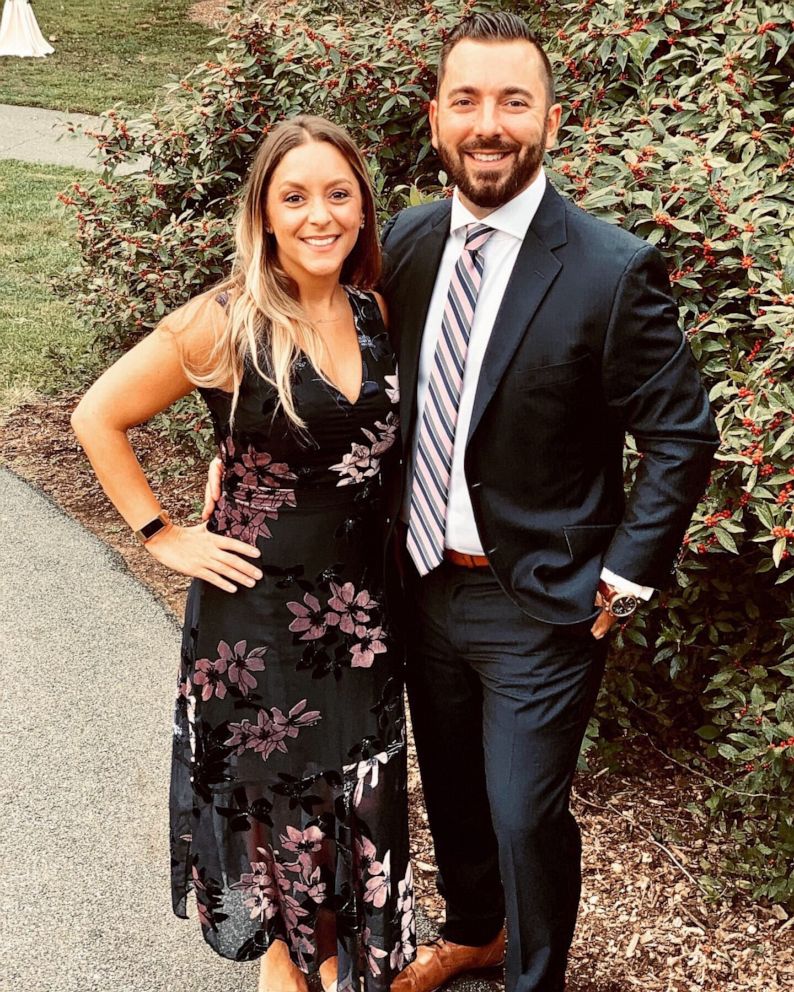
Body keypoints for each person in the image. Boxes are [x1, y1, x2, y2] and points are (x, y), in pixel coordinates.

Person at [203, 12, 719, 992]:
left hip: (542, 597)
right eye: (469, 101)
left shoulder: (611, 272)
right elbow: (347, 374)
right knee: (448, 789)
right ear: (437, 117)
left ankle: (533, 974)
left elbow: (680, 433)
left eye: (512, 102)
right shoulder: (405, 238)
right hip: (417, 580)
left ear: (549, 122)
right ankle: (476, 929)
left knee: (523, 806)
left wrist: (626, 570)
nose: (489, 124)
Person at [71, 115, 415, 992]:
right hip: (254, 613)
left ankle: (334, 948)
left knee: (349, 788)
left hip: (363, 616)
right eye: (293, 197)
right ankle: (282, 963)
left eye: (338, 194)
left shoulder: (373, 309)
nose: (319, 215)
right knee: (278, 798)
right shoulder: (224, 324)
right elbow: (96, 416)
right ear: (264, 213)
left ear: (363, 207)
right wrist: (163, 535)